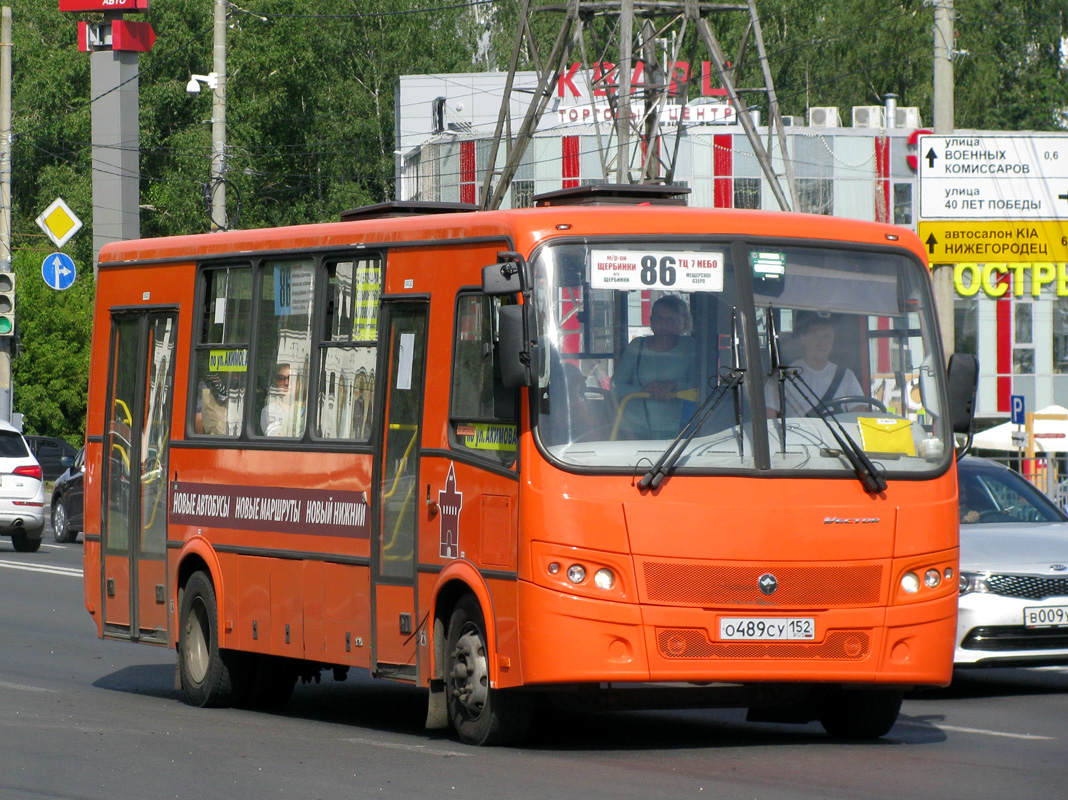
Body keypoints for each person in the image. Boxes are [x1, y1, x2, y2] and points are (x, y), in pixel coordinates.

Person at [611, 295, 697, 439]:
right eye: (658, 319)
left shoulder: (690, 347)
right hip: (633, 429)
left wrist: (673, 386)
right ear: (651, 321)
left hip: (677, 430)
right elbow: (616, 386)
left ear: (682, 322)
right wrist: (644, 390)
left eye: (670, 320)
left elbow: (701, 384)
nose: (663, 324)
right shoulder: (636, 346)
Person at [766, 310, 864, 418]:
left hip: (836, 435)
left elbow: (858, 418)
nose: (822, 343)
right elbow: (769, 420)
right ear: (803, 338)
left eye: (827, 336)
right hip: (797, 434)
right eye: (816, 336)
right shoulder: (783, 377)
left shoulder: (846, 376)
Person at [261, 363, 305, 436]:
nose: (286, 383)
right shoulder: (269, 411)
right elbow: (278, 440)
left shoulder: (309, 409)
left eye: (291, 378)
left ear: (299, 382)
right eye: (281, 379)